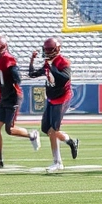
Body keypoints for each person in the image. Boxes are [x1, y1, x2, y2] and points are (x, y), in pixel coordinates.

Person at [0, 35, 39, 168]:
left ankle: (32, 135)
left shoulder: (8, 59)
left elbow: (16, 76)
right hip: (3, 97)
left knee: (9, 129)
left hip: (13, 97)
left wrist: (13, 75)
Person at [27, 38, 79, 173]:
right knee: (47, 129)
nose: (47, 52)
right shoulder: (47, 63)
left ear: (57, 49)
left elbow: (65, 78)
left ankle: (58, 162)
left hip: (62, 98)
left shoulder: (63, 62)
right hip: (51, 98)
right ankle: (70, 141)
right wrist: (32, 60)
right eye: (46, 50)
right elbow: (32, 74)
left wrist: (51, 66)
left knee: (53, 130)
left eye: (50, 50)